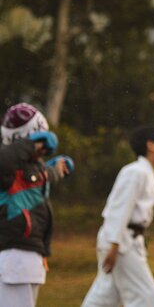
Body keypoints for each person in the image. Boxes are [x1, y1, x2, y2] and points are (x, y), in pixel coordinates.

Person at [81, 125, 154, 307]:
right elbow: (119, 209)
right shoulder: (135, 172)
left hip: (126, 241)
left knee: (105, 296)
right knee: (146, 296)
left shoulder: (145, 173)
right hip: (121, 242)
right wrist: (114, 245)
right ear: (151, 145)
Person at [0, 103, 74, 307]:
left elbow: (42, 176)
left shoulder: (27, 170)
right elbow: (5, 159)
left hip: (30, 257)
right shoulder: (7, 170)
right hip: (15, 257)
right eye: (41, 140)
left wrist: (57, 169)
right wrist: (31, 143)